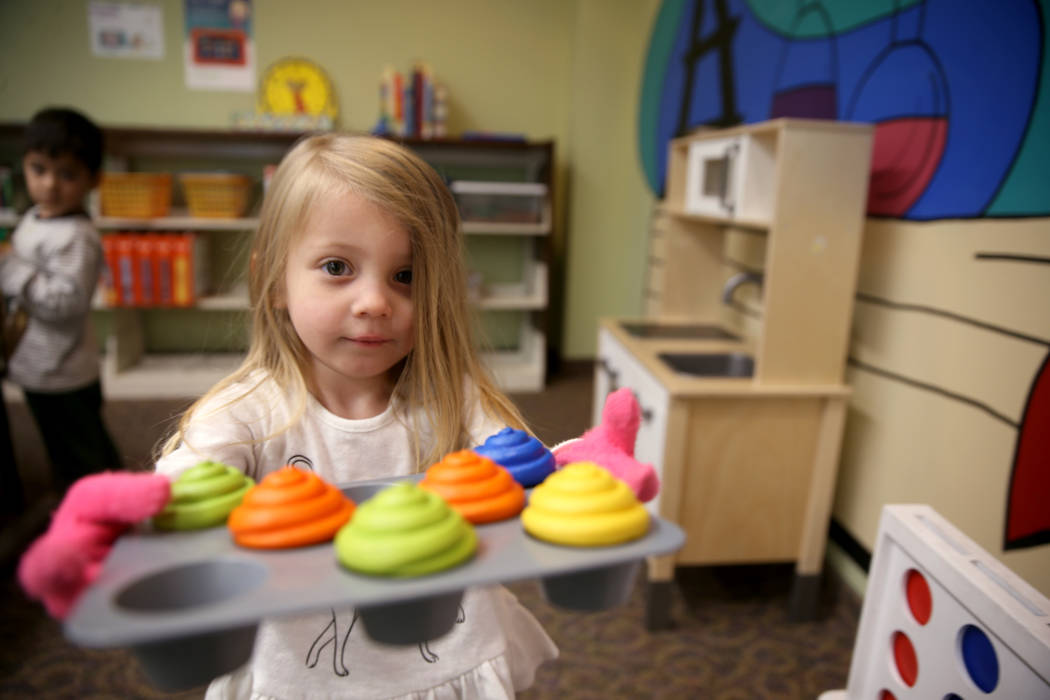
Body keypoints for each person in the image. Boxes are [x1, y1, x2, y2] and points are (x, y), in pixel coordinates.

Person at [149, 132, 557, 698]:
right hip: (306, 672)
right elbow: (180, 494)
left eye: (406, 276)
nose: (375, 302)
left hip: (447, 655)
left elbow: (524, 470)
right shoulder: (247, 412)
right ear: (276, 283)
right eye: (337, 266)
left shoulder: (449, 395)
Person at [0, 107, 121, 498]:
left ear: (92, 180)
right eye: (39, 169)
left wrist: (13, 270)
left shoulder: (77, 237)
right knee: (61, 444)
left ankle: (100, 506)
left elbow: (65, 303)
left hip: (63, 371)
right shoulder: (35, 217)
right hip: (34, 364)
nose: (50, 184)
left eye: (66, 174)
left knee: (82, 453)